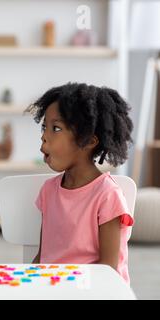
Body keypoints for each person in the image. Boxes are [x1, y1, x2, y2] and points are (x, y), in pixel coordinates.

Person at [27, 82, 134, 284]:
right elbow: (43, 257)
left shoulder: (107, 195)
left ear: (88, 141)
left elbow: (108, 271)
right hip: (52, 290)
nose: (44, 137)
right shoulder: (48, 191)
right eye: (44, 127)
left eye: (55, 128)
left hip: (95, 291)